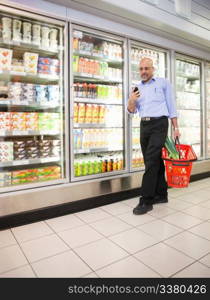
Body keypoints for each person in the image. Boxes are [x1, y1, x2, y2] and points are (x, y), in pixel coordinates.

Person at [127, 57, 180, 215]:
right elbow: (131, 111)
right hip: (145, 125)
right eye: (141, 69)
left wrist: (176, 127)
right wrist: (131, 100)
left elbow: (171, 105)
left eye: (146, 68)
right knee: (154, 160)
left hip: (160, 124)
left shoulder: (163, 83)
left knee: (150, 160)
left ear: (153, 69)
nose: (143, 71)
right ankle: (161, 194)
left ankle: (146, 200)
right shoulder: (136, 88)